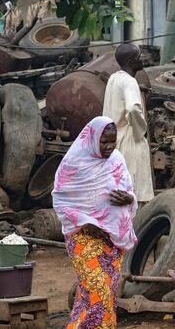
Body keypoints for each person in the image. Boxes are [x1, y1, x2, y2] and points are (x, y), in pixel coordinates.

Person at [52, 116, 137, 328]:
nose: (109, 146)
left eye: (113, 141)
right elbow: (61, 199)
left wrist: (129, 199)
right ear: (92, 138)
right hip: (83, 239)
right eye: (104, 141)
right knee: (99, 292)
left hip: (111, 242)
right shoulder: (74, 162)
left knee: (97, 296)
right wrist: (84, 221)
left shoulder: (116, 160)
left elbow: (128, 191)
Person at [103, 43, 154, 204]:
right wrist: (141, 130)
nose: (143, 59)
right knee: (135, 192)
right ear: (131, 62)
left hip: (115, 139)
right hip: (130, 140)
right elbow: (132, 109)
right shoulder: (129, 82)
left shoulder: (114, 78)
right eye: (139, 57)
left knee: (117, 189)